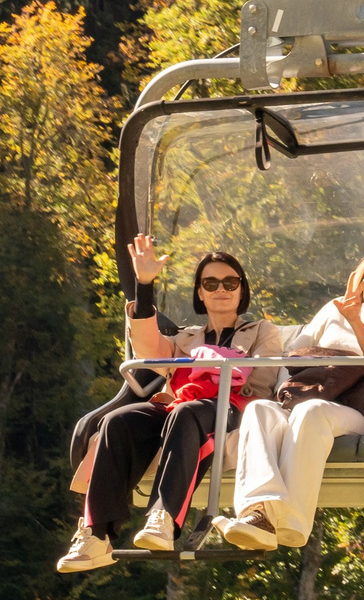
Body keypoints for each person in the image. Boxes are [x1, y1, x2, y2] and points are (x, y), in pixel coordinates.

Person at [57, 237, 285, 573]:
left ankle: (163, 518)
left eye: (230, 282)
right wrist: (145, 285)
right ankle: (95, 535)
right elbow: (150, 351)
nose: (221, 289)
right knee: (118, 421)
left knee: (185, 413)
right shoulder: (186, 338)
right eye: (211, 283)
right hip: (181, 405)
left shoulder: (261, 331)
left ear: (241, 289)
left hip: (233, 408)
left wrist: (216, 365)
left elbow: (262, 380)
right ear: (200, 293)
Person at [215, 245, 364, 550]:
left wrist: (355, 320)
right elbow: (294, 357)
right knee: (259, 410)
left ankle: (292, 523)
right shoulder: (331, 310)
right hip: (305, 396)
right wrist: (282, 397)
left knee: (311, 412)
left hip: (357, 410)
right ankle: (256, 514)